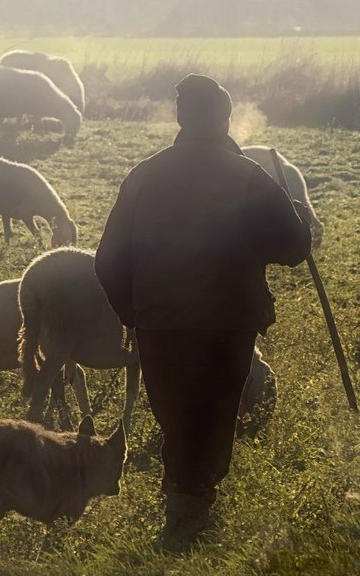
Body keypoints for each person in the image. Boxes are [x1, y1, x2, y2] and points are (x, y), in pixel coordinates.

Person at [94, 74, 311, 550]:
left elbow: (107, 260)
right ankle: (192, 508)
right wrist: (286, 213)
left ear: (181, 117)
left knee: (175, 414)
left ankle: (183, 504)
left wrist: (133, 313)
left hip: (160, 321)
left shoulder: (144, 176)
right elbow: (295, 248)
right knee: (213, 412)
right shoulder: (247, 177)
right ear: (224, 119)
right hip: (226, 321)